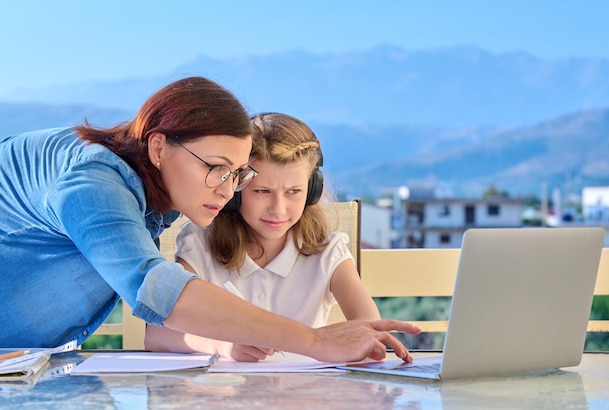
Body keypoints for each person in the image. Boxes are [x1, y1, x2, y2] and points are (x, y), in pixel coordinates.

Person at [0, 76, 419, 364]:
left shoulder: (152, 182)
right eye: (217, 167)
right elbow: (160, 293)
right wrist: (312, 340)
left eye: (238, 174)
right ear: (160, 146)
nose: (227, 189)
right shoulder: (92, 185)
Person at [144, 112, 381, 361]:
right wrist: (221, 345)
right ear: (236, 188)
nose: (278, 209)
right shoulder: (200, 243)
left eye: (293, 191)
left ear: (311, 191)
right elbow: (156, 335)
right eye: (261, 191)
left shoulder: (329, 251)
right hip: (225, 396)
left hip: (306, 396)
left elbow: (371, 330)